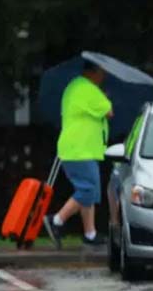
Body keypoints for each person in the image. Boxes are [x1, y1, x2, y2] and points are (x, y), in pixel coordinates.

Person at [44, 60, 114, 247]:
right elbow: (108, 111)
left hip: (79, 148)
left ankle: (90, 233)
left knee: (88, 191)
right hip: (80, 149)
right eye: (101, 73)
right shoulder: (87, 89)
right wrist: (105, 97)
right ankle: (57, 220)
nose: (103, 77)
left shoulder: (74, 87)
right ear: (93, 72)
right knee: (88, 190)